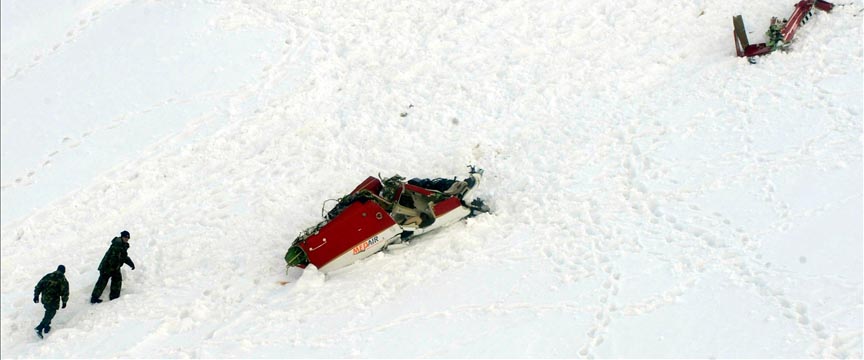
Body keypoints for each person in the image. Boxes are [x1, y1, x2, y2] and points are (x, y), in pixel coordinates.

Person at [90, 230, 135, 303]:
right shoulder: (117, 244)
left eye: (128, 238)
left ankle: (114, 297)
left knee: (117, 281)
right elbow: (113, 258)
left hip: (114, 268)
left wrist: (131, 263)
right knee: (102, 282)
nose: (127, 239)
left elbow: (124, 257)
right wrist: (112, 268)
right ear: (122, 237)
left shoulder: (122, 245)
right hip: (107, 267)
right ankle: (94, 298)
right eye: (125, 237)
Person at [33, 265, 69, 339]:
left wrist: (36, 295)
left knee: (48, 311)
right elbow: (65, 292)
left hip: (45, 298)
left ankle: (47, 326)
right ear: (64, 271)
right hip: (53, 300)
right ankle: (40, 327)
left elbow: (39, 285)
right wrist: (64, 302)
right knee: (51, 313)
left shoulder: (48, 275)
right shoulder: (63, 279)